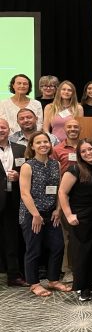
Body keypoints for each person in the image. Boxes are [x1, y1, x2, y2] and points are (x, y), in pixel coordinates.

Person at [19, 132, 70, 297]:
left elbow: (58, 190)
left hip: (51, 213)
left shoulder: (55, 164)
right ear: (32, 146)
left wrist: (58, 209)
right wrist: (35, 215)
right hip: (32, 214)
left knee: (58, 246)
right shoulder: (28, 166)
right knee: (33, 249)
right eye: (38, 142)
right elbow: (25, 193)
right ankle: (34, 283)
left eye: (46, 142)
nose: (43, 145)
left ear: (50, 144)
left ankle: (53, 280)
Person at [58, 139, 92, 301]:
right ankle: (82, 287)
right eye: (83, 151)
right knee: (82, 252)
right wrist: (69, 214)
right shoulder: (75, 169)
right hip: (80, 215)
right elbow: (63, 192)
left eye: (90, 149)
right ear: (79, 155)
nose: (87, 153)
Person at [0, 118, 28, 287]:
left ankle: (13, 275)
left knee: (12, 239)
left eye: (3, 127)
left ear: (9, 129)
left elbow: (26, 170)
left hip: (13, 199)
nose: (0, 130)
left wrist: (19, 177)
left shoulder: (21, 149)